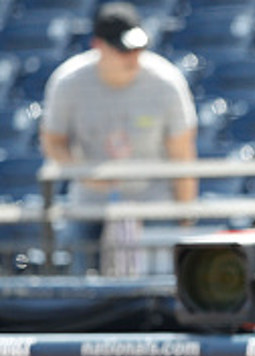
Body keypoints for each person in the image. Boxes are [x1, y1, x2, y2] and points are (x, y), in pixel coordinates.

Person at [40, 2, 197, 276]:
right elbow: (53, 141)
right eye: (123, 49)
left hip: (153, 195)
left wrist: (185, 214)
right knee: (78, 277)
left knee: (161, 280)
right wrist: (85, 174)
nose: (133, 57)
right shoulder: (68, 82)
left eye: (138, 48)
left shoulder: (166, 82)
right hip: (91, 197)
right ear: (97, 45)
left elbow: (182, 152)